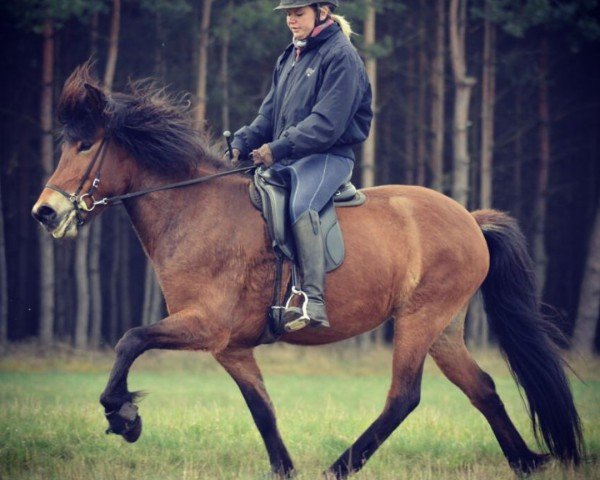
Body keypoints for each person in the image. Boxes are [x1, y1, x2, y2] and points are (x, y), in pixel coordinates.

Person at [230, 0, 373, 331]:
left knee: (301, 205)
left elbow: (327, 123)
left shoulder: (342, 56)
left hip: (328, 157)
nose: (291, 21)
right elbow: (269, 113)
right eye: (288, 15)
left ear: (322, 12)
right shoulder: (291, 54)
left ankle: (314, 300)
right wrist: (243, 141)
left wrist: (278, 148)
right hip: (291, 156)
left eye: (298, 13)